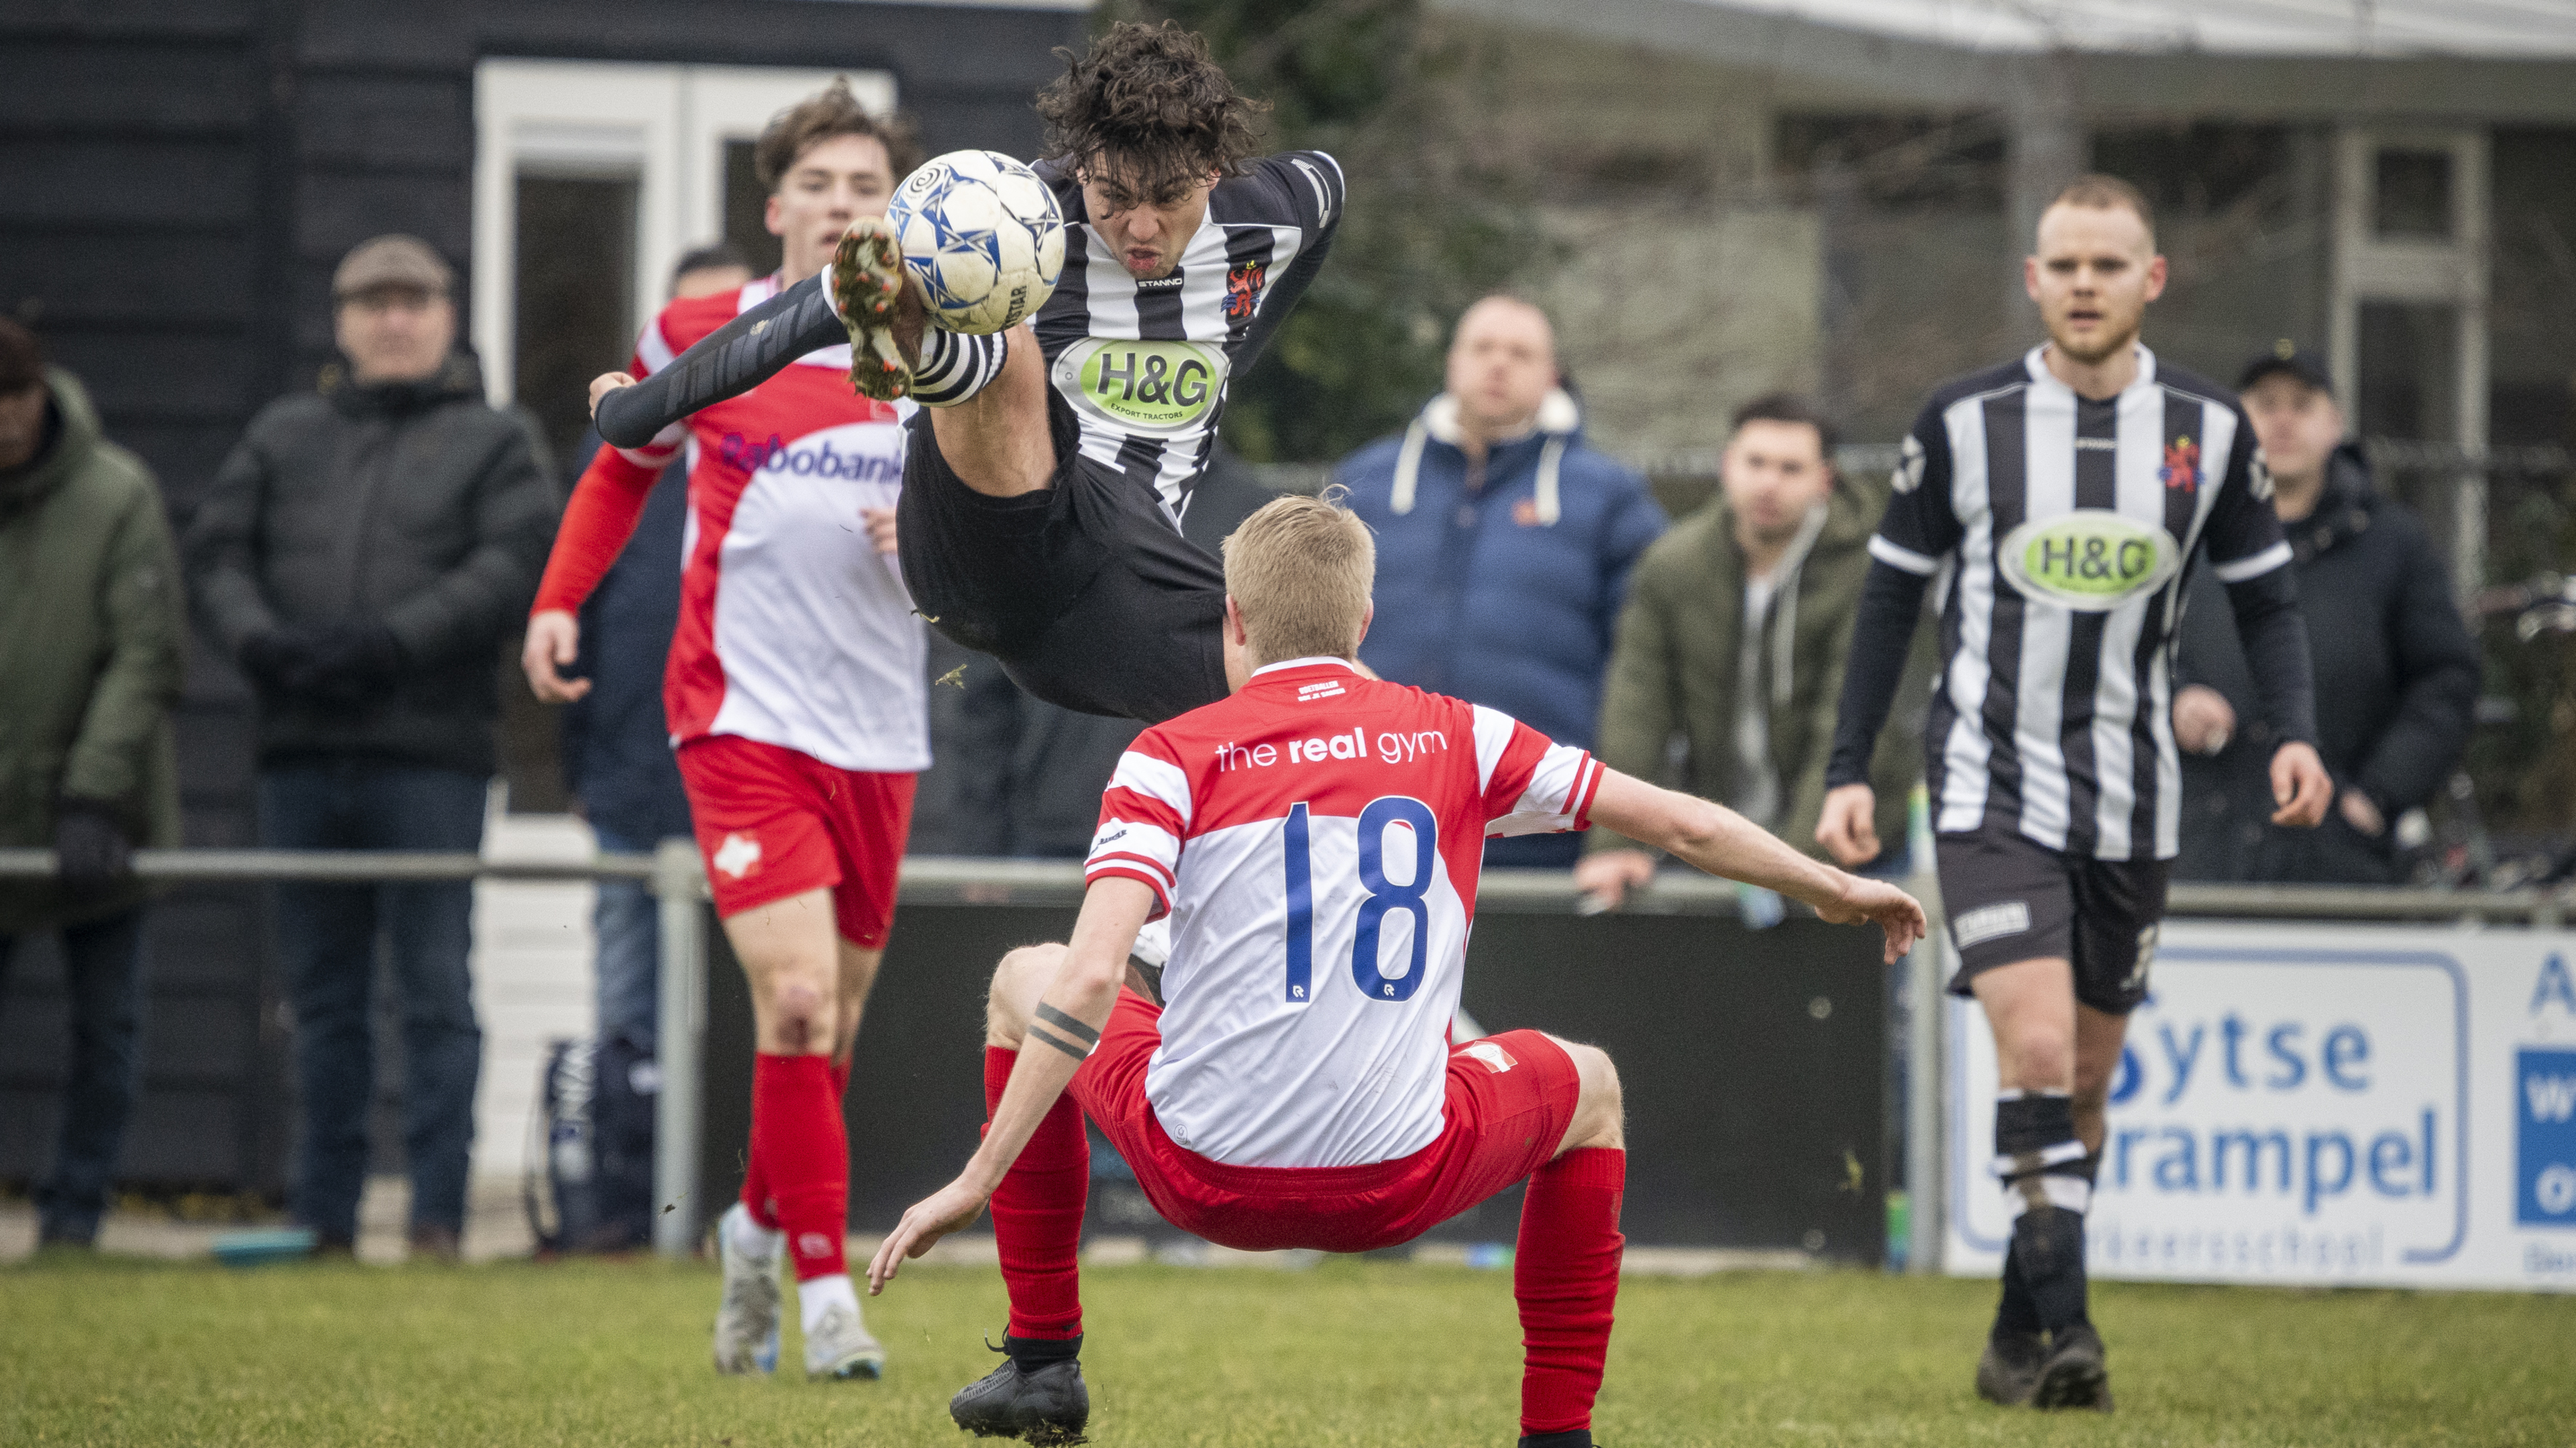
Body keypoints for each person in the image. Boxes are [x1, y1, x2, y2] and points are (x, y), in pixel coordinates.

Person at [861, 494, 1927, 1448]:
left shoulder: (1171, 752)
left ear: (1231, 619)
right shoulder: (1459, 735)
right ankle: (1557, 1436)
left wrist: (975, 1177)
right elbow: (1685, 821)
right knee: (1590, 1084)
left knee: (1023, 971)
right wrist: (1828, 886)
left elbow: (1090, 980)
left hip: (1202, 1176)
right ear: (1365, 622)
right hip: (1398, 1181)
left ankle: (1044, 1361)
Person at [1816, 176, 2332, 1412]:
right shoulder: (1959, 422)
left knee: (2082, 1088)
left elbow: (2266, 599)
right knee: (2036, 1048)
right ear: (2035, 279)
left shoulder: (2209, 429)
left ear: (2152, 279)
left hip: (2133, 794)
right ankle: (2077, 1330)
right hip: (1989, 784)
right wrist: (1849, 767)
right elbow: (1890, 597)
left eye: (2111, 263)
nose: (2086, 283)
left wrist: (2294, 733)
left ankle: (2014, 1329)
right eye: (2065, 263)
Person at [586, 20, 1342, 727]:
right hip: (973, 544)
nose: (1140, 229)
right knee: (1006, 333)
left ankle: (925, 343)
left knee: (1303, 693)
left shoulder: (1277, 208)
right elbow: (796, 316)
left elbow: (1326, 206)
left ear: (1215, 172)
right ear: (1083, 169)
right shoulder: (1017, 209)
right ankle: (921, 342)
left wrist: (1238, 345)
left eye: (1169, 199)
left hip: (1117, 608)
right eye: (1114, 198)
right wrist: (641, 409)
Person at [522, 81, 926, 1380]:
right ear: (778, 208)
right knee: (797, 1002)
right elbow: (619, 461)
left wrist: (930, 540)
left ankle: (753, 1224)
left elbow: (1002, 537)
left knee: (828, 1030)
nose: (843, 208)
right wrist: (558, 601)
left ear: (897, 216)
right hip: (739, 714)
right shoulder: (707, 332)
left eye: (868, 189)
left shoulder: (941, 353)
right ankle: (827, 1300)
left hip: (879, 728)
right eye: (821, 186)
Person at [185, 234, 558, 1263]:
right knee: (323, 999)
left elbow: (514, 560)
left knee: (436, 990)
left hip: (431, 757)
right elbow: (215, 553)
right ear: (342, 321)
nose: (394, 319)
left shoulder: (494, 439)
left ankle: (437, 1216)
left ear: (448, 314)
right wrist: (263, 641)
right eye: (372, 301)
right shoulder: (283, 432)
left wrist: (393, 642)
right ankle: (326, 1216)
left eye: (414, 299)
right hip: (301, 753)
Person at [1338, 296, 1668, 869]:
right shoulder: (1363, 482)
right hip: (1367, 815)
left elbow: (1649, 673)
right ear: (1451, 361)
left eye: (1520, 353)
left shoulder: (1610, 497)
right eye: (1483, 347)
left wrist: (1624, 833)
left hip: (1541, 829)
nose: (1499, 365)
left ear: (1552, 375)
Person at [1577, 392, 1921, 910]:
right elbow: (1637, 707)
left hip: (1843, 849)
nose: (1768, 483)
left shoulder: (1869, 573)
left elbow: (1849, 722)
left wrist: (1798, 869)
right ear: (1726, 465)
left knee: (1843, 993)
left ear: (1824, 480)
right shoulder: (1673, 566)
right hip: (1721, 844)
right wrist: (1617, 840)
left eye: (1790, 468)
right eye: (1755, 462)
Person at [0, 319, 185, 1251]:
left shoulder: (116, 494)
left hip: (101, 818)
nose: (3, 422)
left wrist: (91, 789)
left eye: (14, 400)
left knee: (106, 1031)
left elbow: (146, 653)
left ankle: (75, 1215)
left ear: (42, 394)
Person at [2169, 343, 2479, 884]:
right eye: (2266, 404)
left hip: (2340, 867)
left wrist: (2377, 796)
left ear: (2335, 423)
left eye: (2302, 404)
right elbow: (2119, 653)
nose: (2284, 420)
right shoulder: (2185, 536)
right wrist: (2175, 699)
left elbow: (2446, 679)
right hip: (2199, 860)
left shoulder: (2393, 543)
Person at [557, 242, 754, 1057]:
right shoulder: (618, 457)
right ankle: (627, 1185)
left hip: (750, 786)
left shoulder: (785, 453)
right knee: (628, 1010)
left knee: (751, 1011)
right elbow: (583, 619)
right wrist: (583, 772)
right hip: (632, 782)